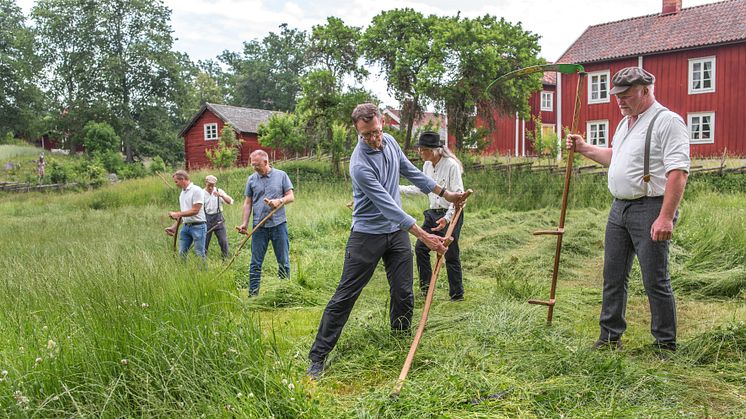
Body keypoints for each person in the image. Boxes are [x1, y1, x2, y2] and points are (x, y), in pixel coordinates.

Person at [306, 103, 466, 380]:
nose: (374, 138)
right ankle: (317, 357)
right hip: (367, 236)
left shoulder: (390, 141)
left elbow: (412, 172)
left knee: (404, 293)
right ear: (358, 132)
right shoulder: (359, 165)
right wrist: (424, 235)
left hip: (396, 234)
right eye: (367, 135)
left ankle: (399, 341)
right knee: (346, 295)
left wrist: (446, 193)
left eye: (377, 131)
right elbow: (387, 206)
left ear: (382, 123)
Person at [567, 67, 690, 353]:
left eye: (626, 95)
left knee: (654, 279)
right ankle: (609, 337)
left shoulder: (667, 121)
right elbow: (615, 157)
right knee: (612, 276)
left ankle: (665, 344)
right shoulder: (626, 124)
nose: (619, 101)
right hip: (619, 209)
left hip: (650, 208)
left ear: (646, 90)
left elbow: (678, 172)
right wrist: (585, 148)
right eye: (616, 95)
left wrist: (665, 216)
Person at [400, 131, 466, 301]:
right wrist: (397, 189)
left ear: (435, 150)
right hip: (432, 214)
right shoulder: (427, 166)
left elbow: (458, 196)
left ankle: (457, 294)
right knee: (421, 248)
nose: (420, 153)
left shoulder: (451, 165)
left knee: (450, 251)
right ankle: (426, 288)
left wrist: (448, 218)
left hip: (451, 213)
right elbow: (422, 188)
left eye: (423, 150)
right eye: (420, 149)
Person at [237, 149, 295, 296]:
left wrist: (279, 201)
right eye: (252, 165)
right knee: (255, 263)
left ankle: (284, 293)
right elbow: (248, 202)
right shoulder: (251, 179)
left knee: (283, 261)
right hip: (259, 227)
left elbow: (291, 196)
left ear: (266, 162)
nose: (254, 167)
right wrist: (244, 223)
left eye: (256, 164)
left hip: (278, 225)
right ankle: (253, 294)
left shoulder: (281, 175)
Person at [166, 170, 207, 260]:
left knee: (199, 253)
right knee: (182, 253)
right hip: (186, 227)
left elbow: (195, 210)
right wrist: (174, 227)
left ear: (183, 179)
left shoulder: (197, 190)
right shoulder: (182, 193)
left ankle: (202, 273)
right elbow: (184, 213)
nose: (176, 184)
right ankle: (183, 272)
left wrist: (177, 214)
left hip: (198, 226)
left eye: (176, 182)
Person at [203, 175, 234, 259]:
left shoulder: (218, 191)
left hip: (218, 220)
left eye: (212, 185)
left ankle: (225, 259)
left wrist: (221, 195)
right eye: (209, 185)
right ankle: (203, 261)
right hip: (206, 220)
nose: (210, 187)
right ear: (205, 182)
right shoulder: (201, 193)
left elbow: (230, 202)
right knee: (204, 242)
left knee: (223, 241)